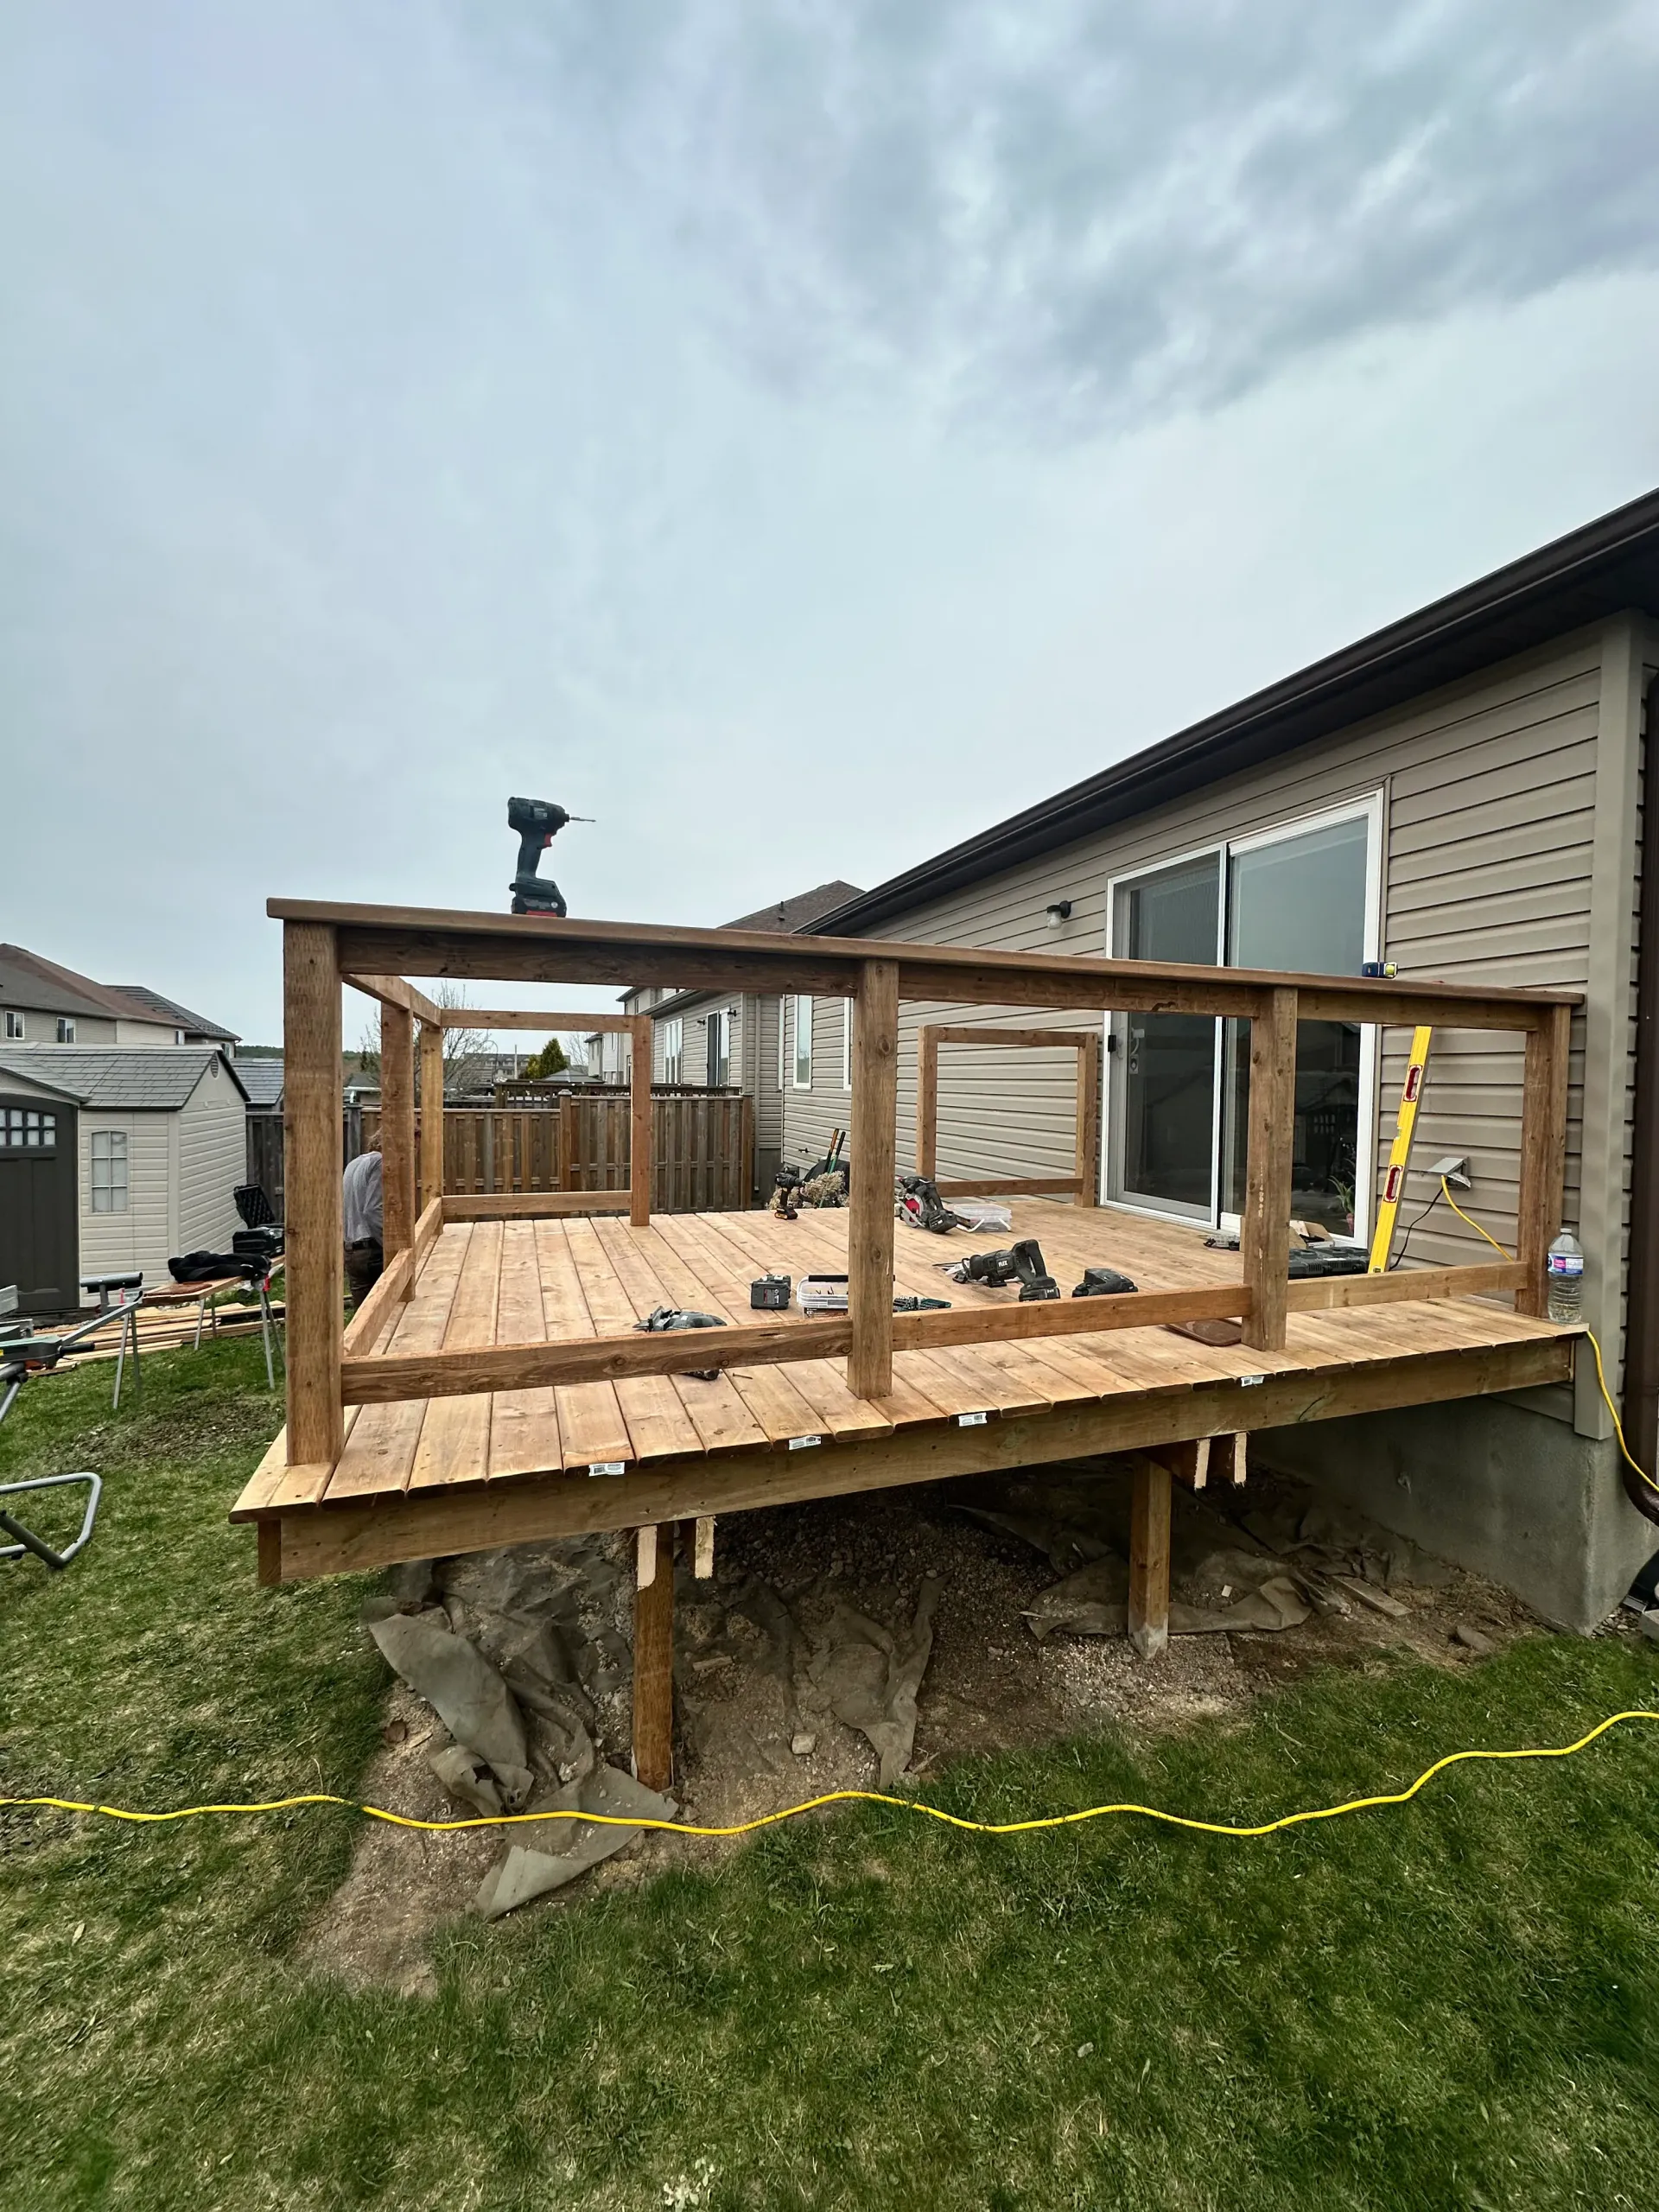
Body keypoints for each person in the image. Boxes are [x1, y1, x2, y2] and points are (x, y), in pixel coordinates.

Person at [342, 1148, 384, 1307]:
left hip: (351, 1251)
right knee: (388, 1314)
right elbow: (373, 1209)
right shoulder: (381, 1162)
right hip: (372, 1250)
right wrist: (393, 1246)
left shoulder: (354, 1163)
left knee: (362, 1315)